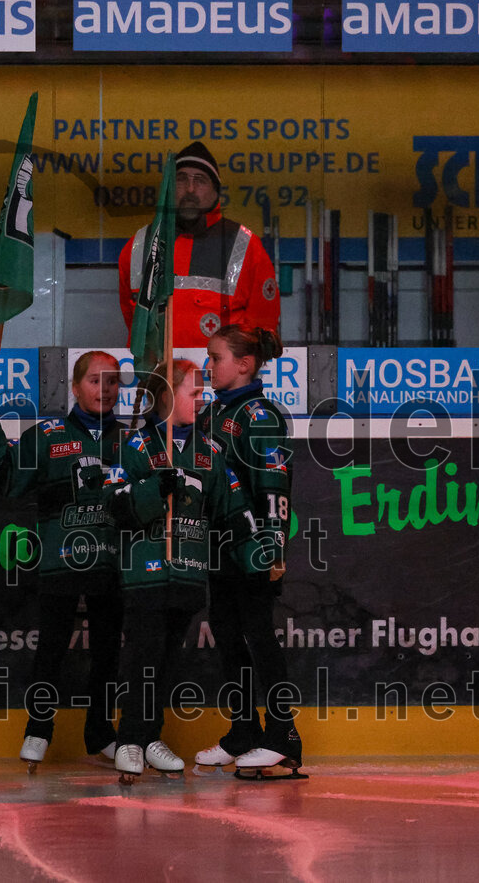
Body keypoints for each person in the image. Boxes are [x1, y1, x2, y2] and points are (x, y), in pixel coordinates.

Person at [107, 359, 257, 781]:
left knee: (168, 663)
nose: (202, 398)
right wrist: (156, 487)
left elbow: (234, 510)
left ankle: (150, 737)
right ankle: (131, 741)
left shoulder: (210, 450)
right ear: (168, 396)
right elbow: (113, 505)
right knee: (143, 659)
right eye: (193, 392)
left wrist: (259, 559)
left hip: (189, 575)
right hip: (144, 575)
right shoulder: (135, 445)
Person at [0, 351, 124, 770]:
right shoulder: (48, 434)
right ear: (75, 388)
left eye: (112, 381)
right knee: (52, 649)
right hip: (61, 560)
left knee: (108, 651)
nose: (105, 389)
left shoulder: (132, 438)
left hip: (112, 561)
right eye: (95, 381)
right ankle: (38, 730)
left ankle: (101, 732)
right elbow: (5, 478)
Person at [194, 324, 303, 776]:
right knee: (229, 641)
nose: (208, 366)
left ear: (244, 364)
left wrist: (273, 549)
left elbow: (274, 484)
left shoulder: (263, 415)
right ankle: (243, 732)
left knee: (259, 639)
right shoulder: (210, 414)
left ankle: (283, 738)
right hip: (218, 549)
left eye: (215, 357)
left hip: (253, 548)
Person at [118, 141, 280, 346]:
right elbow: (133, 318)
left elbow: (262, 331)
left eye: (200, 180)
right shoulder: (140, 245)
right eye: (181, 179)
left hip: (221, 377)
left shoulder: (246, 246)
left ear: (216, 191)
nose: (190, 189)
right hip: (157, 375)